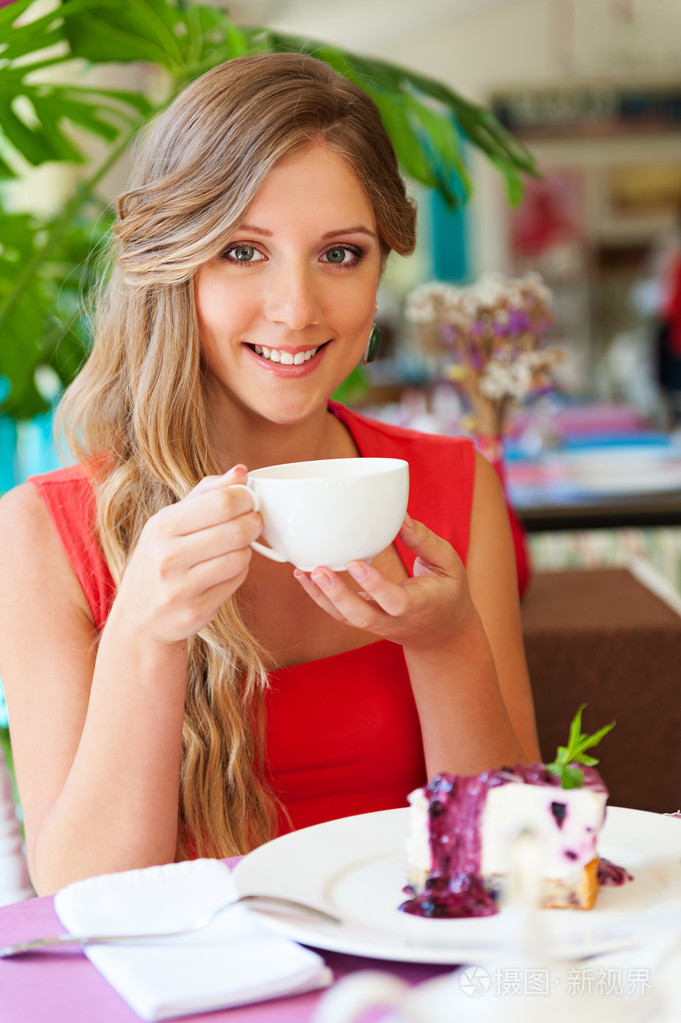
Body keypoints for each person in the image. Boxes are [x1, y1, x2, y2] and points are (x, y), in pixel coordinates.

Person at [0, 53, 539, 896]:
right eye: (243, 250)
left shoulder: (451, 488)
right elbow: (85, 902)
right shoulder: (46, 532)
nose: (295, 308)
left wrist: (446, 643)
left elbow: (514, 867)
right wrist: (145, 631)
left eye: (340, 254)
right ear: (175, 264)